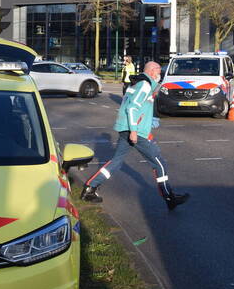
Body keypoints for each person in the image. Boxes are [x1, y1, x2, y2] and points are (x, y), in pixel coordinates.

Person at [80, 61, 190, 210]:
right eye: (158, 70)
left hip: (127, 128)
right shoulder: (145, 85)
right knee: (159, 163)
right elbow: (132, 108)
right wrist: (134, 130)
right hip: (135, 131)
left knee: (116, 162)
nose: (160, 73)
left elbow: (134, 106)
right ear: (151, 71)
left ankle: (89, 188)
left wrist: (148, 121)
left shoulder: (139, 83)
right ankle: (169, 197)